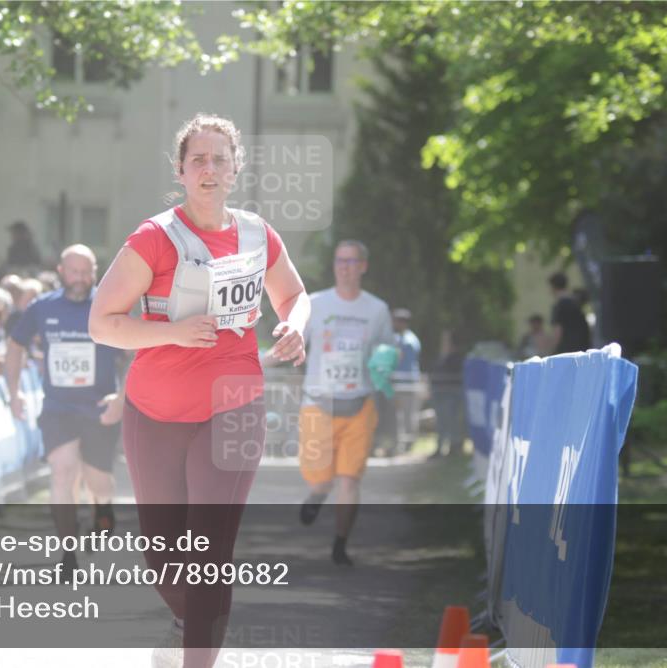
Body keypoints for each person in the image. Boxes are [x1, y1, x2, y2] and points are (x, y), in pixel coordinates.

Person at [89, 113, 309, 668]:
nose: (209, 169)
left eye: (219, 159)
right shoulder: (155, 239)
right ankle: (191, 621)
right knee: (163, 560)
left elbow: (295, 296)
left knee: (209, 553)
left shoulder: (258, 234)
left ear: (236, 168)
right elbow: (101, 322)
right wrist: (172, 333)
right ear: (181, 171)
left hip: (234, 405)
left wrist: (295, 326)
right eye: (198, 160)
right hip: (154, 411)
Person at [4, 244, 123, 571]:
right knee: (63, 469)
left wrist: (123, 398)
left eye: (87, 272)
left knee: (97, 479)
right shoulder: (42, 308)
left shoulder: (109, 306)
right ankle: (67, 553)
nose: (81, 279)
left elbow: (136, 353)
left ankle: (102, 510)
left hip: (100, 406)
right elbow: (15, 346)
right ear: (61, 271)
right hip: (58, 408)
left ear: (95, 272)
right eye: (74, 272)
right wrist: (13, 392)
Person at [296, 240, 395, 567]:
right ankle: (316, 495)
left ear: (363, 266)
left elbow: (388, 349)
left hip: (359, 405)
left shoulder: (377, 309)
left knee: (350, 479)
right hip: (318, 404)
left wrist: (385, 362)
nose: (346, 267)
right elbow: (294, 339)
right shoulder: (315, 303)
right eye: (340, 261)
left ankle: (340, 544)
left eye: (352, 261)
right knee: (322, 479)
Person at [429, 329, 465, 457]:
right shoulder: (440, 356)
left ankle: (454, 446)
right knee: (441, 422)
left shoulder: (457, 358)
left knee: (452, 421)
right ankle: (440, 447)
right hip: (439, 393)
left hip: (451, 394)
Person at [391, 307, 422, 452]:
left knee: (408, 415)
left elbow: (399, 360)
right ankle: (398, 444)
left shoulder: (409, 341)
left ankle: (408, 444)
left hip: (407, 384)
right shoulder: (397, 338)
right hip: (397, 383)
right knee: (398, 416)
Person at [548, 272, 591, 354]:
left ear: (553, 287)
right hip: (582, 349)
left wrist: (550, 351)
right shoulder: (576, 303)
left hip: (566, 351)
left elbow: (558, 331)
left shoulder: (559, 306)